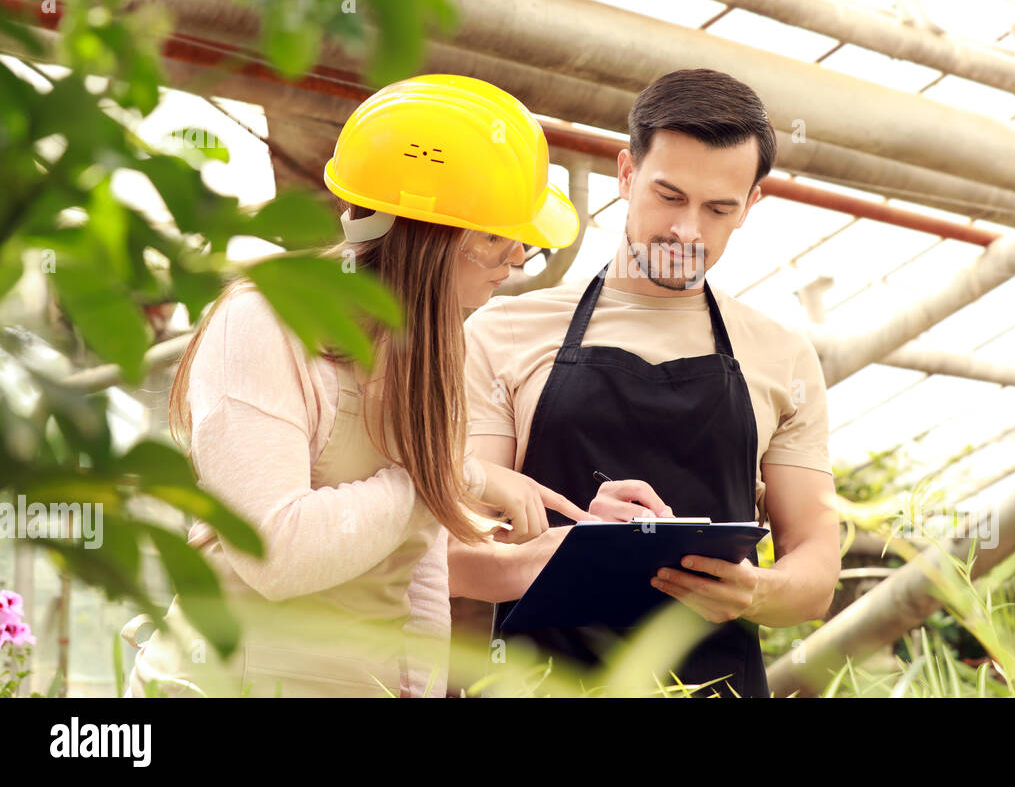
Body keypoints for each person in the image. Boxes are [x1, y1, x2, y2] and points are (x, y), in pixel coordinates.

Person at [123, 74, 593, 698]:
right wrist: (454, 479)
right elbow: (276, 553)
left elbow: (413, 564)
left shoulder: (433, 348)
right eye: (498, 239)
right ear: (429, 237)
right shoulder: (264, 323)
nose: (517, 263)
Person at [449, 68, 841, 697]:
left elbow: (817, 573)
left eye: (719, 208)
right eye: (669, 195)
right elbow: (449, 556)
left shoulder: (782, 357)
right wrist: (573, 547)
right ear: (626, 174)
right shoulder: (504, 332)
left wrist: (756, 591)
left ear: (751, 205)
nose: (688, 231)